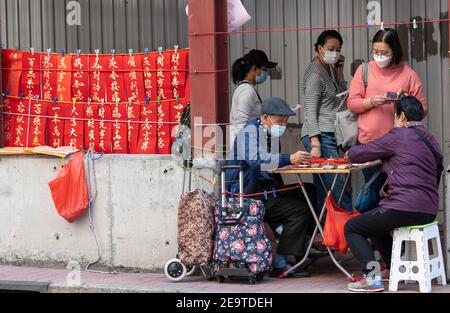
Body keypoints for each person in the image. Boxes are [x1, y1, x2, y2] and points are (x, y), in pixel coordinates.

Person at [344, 96, 443, 292]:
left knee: (353, 227)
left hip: (403, 207)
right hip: (429, 209)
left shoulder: (399, 135)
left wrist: (349, 153)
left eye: (395, 116)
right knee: (376, 220)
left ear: (401, 116)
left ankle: (371, 279)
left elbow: (362, 152)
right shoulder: (431, 139)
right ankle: (391, 268)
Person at [227, 97, 316, 278]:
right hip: (248, 198)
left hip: (265, 191)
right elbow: (257, 160)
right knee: (300, 209)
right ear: (266, 118)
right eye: (280, 121)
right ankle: (282, 262)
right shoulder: (250, 132)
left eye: (286, 121)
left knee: (308, 190)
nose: (283, 125)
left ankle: (302, 247)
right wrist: (289, 159)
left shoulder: (267, 133)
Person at [347, 28, 428, 210]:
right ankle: (376, 234)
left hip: (399, 147)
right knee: (374, 190)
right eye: (375, 52)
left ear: (395, 51)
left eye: (384, 53)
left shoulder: (408, 74)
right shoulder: (364, 70)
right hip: (370, 144)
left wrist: (406, 99)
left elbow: (422, 110)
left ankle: (391, 234)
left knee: (395, 194)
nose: (379, 56)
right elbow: (352, 103)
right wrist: (371, 102)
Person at [300, 30, 353, 212]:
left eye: (338, 49)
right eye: (331, 48)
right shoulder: (315, 75)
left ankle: (331, 234)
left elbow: (341, 96)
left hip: (330, 134)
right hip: (320, 136)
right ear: (318, 48)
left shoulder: (329, 69)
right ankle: (341, 234)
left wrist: (340, 71)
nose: (335, 53)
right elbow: (310, 111)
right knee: (337, 186)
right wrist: (315, 143)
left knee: (332, 187)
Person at [229, 49, 277, 143]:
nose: (266, 74)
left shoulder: (245, 88)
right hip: (245, 146)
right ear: (254, 68)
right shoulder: (247, 90)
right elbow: (240, 122)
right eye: (264, 69)